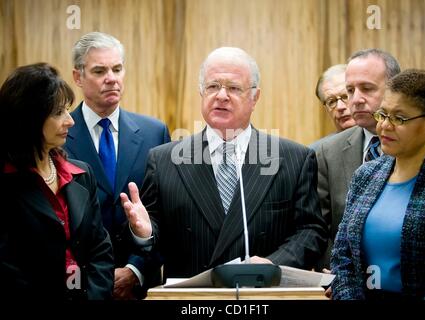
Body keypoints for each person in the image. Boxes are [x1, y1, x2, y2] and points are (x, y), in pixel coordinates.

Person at [120, 47, 328, 280]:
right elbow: (155, 236)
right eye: (212, 86)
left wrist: (272, 263)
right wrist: (145, 234)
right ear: (201, 91)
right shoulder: (164, 160)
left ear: (255, 97)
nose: (221, 95)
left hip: (262, 295)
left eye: (233, 88)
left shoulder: (294, 159)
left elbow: (311, 232)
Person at [314, 49, 425, 269]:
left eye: (367, 88)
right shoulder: (351, 166)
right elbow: (332, 240)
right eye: (350, 90)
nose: (354, 100)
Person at [64, 32, 171, 299]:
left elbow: (165, 213)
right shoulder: (59, 136)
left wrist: (135, 270)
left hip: (140, 287)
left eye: (117, 69)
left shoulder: (154, 133)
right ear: (78, 77)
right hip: (78, 287)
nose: (111, 78)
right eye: (99, 71)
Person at [0, 63, 114, 300]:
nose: (70, 121)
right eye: (57, 112)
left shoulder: (82, 173)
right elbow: (6, 267)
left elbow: (100, 250)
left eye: (67, 110)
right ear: (28, 119)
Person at [310, 64, 356, 149]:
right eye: (331, 102)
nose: (340, 107)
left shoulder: (384, 139)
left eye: (345, 97)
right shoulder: (318, 152)